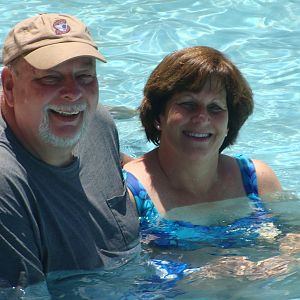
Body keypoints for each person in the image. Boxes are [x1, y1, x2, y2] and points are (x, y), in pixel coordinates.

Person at [0, 13, 140, 289]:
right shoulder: (6, 183)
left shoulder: (97, 122)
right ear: (9, 86)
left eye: (85, 76)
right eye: (51, 78)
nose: (73, 94)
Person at [123, 46, 283, 250]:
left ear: (229, 124)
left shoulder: (258, 180)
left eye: (215, 108)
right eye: (188, 104)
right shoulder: (129, 194)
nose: (202, 117)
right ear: (158, 116)